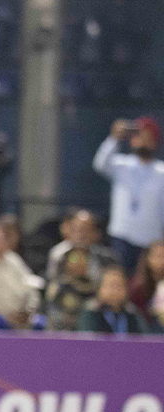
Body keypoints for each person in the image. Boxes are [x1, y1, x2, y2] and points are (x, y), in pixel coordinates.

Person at [93, 117, 164, 273]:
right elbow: (99, 164)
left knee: (145, 282)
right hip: (121, 237)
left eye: (147, 138)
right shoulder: (121, 164)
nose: (142, 141)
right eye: (139, 137)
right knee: (119, 276)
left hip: (150, 240)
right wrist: (114, 138)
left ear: (155, 142)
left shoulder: (161, 172)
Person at [45, 209, 118, 286]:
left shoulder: (107, 257)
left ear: (96, 234)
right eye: (77, 230)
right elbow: (52, 282)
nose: (81, 235)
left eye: (86, 230)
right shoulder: (58, 254)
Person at [76, 265, 153, 335]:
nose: (115, 291)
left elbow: (145, 339)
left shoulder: (132, 313)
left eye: (119, 286)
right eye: (111, 286)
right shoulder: (91, 312)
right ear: (99, 288)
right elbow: (87, 340)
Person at [45, 247, 98, 332]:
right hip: (59, 331)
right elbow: (50, 309)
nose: (79, 263)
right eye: (74, 259)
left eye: (84, 259)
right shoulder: (57, 286)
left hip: (86, 331)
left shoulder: (94, 288)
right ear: (65, 263)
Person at [130, 240, 164, 327]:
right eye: (158, 256)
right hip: (147, 329)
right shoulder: (138, 287)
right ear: (148, 258)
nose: (161, 261)